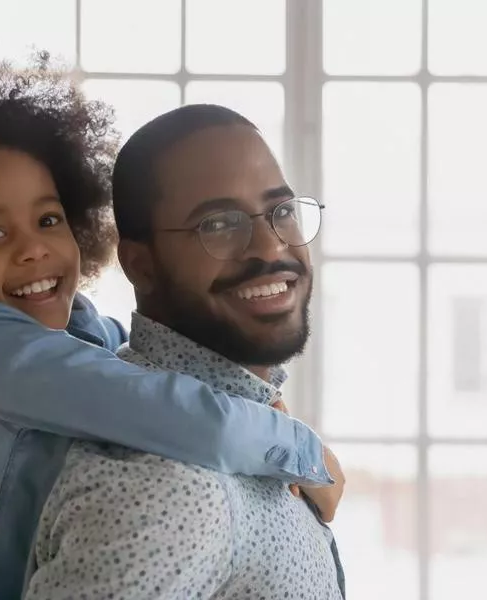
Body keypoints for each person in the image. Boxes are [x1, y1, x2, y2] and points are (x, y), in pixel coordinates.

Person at [0, 45, 338, 600]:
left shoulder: (73, 339)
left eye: (47, 219)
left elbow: (131, 360)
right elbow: (152, 403)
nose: (33, 250)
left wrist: (257, 400)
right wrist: (299, 450)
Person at [26, 105, 346, 599]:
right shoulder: (171, 489)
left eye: (281, 212)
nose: (269, 246)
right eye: (219, 224)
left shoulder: (245, 426)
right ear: (140, 264)